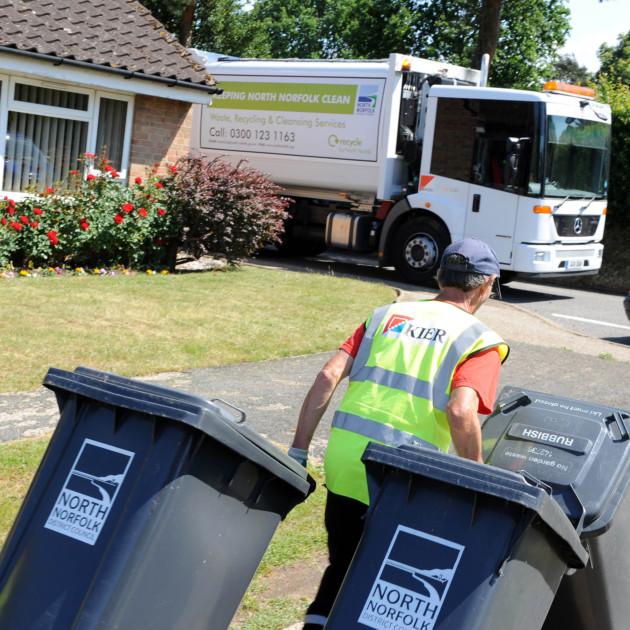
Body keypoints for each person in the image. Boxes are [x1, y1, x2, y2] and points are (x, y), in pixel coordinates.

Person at [287, 237, 509, 630]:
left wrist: (299, 452)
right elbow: (461, 411)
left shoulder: (385, 315)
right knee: (394, 584)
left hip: (345, 465)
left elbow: (328, 375)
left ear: (441, 275)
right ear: (486, 284)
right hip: (405, 483)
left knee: (342, 563)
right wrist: (475, 476)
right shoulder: (479, 341)